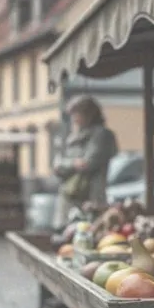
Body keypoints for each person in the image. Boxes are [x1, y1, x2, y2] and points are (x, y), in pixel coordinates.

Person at [51, 95, 118, 229]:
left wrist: (72, 164)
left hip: (91, 195)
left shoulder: (101, 135)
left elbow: (89, 162)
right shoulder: (71, 136)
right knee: (65, 232)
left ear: (89, 114)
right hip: (69, 194)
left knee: (88, 230)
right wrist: (73, 163)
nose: (74, 119)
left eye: (77, 114)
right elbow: (57, 165)